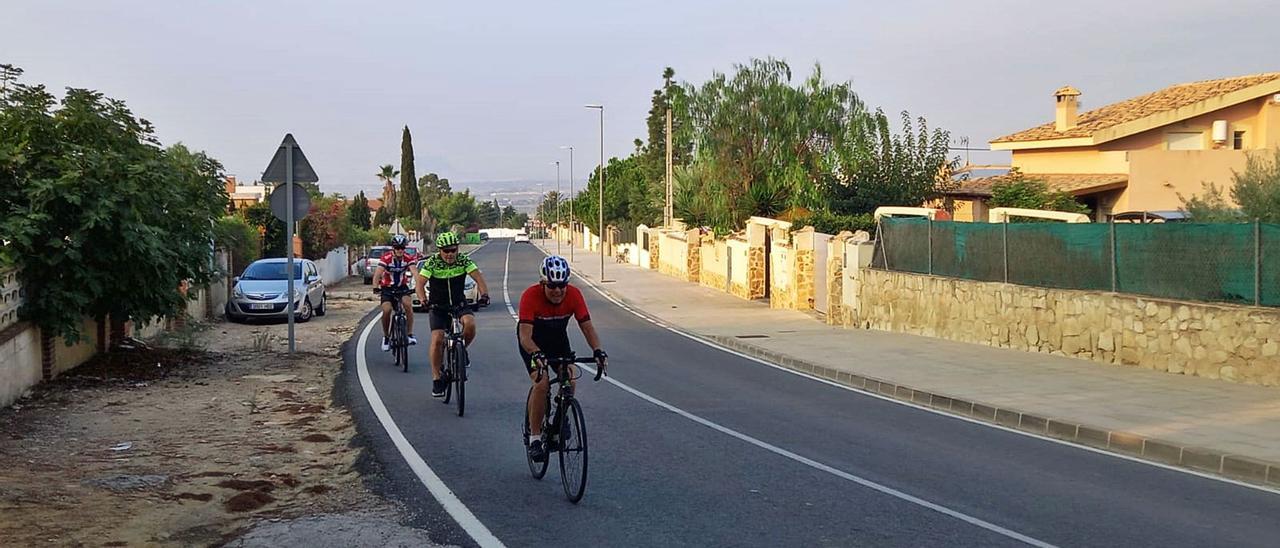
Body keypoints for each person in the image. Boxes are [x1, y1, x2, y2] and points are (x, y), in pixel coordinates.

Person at [517, 255, 607, 463]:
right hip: (533, 342)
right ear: (543, 283)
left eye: (562, 286)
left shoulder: (574, 295)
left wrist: (598, 351)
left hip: (558, 340)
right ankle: (535, 438)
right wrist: (536, 354)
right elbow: (524, 336)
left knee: (570, 380)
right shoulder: (530, 296)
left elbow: (587, 327)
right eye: (552, 286)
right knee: (542, 383)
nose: (557, 291)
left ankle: (558, 422)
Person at [415, 231, 490, 397]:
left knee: (470, 324)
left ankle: (462, 349)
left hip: (458, 303)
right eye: (446, 251)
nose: (450, 254)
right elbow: (419, 285)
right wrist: (422, 300)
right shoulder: (432, 263)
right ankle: (436, 379)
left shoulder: (464, 260)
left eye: (453, 250)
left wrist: (484, 295)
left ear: (457, 249)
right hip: (438, 306)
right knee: (437, 339)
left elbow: (478, 278)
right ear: (440, 250)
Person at [373, 234, 420, 351]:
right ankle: (386, 337)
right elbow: (378, 274)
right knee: (387, 310)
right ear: (393, 248)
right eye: (397, 248)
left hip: (401, 287)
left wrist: (419, 286)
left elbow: (415, 272)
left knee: (408, 305)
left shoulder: (408, 258)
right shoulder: (386, 258)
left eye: (402, 248)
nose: (400, 250)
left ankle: (409, 334)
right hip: (387, 288)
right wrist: (375, 287)